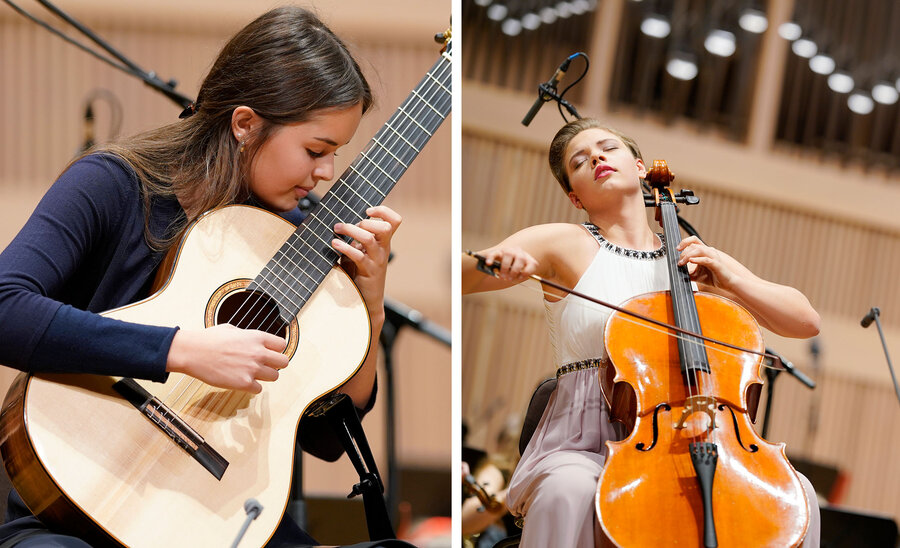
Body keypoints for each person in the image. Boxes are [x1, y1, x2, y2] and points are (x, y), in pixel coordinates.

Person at [0, 7, 409, 548]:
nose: (326, 173)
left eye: (336, 155)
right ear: (244, 124)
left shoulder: (294, 242)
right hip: (74, 507)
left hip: (220, 520)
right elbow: (6, 307)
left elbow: (327, 440)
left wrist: (369, 308)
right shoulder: (112, 185)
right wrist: (181, 350)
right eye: (315, 150)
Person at [462, 118, 822, 547]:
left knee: (795, 494)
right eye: (579, 160)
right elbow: (464, 275)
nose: (595, 157)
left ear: (637, 166)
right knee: (568, 490)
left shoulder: (690, 261)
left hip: (687, 437)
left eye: (606, 148)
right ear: (575, 197)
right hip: (582, 440)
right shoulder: (564, 242)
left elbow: (805, 322)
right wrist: (494, 262)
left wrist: (730, 279)